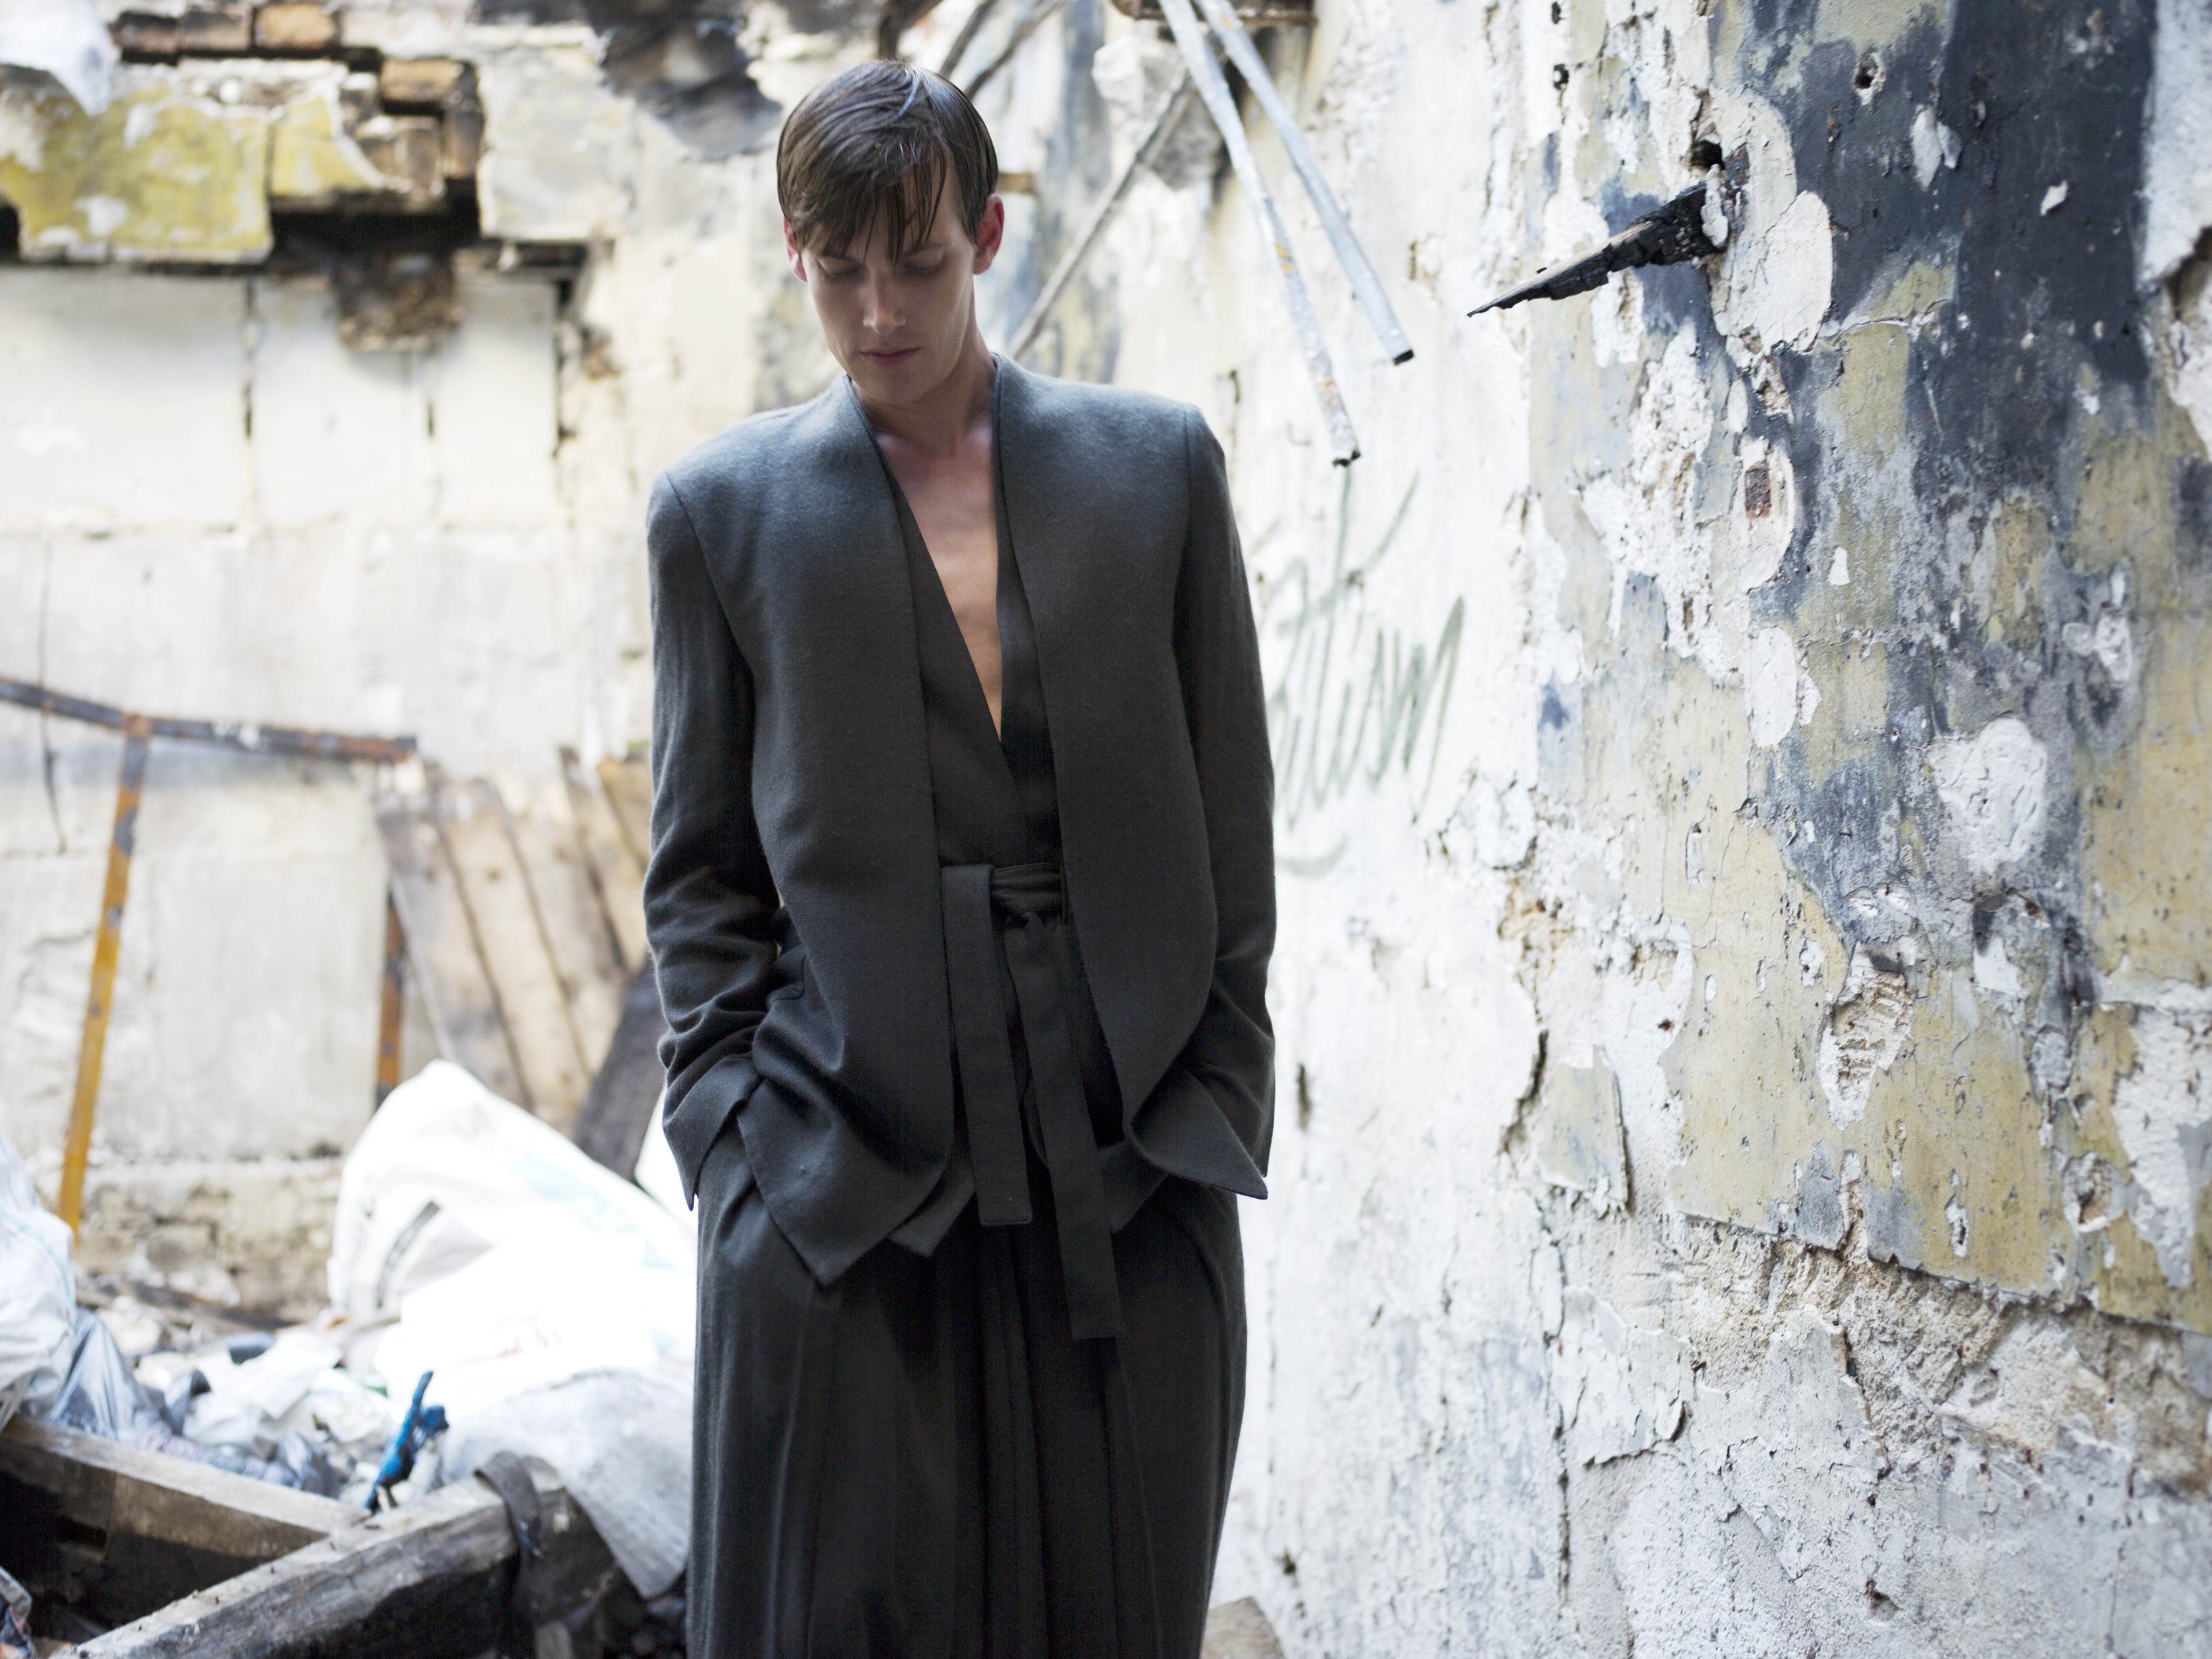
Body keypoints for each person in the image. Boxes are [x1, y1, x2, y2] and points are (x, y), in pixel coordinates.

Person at [642, 57, 1276, 1658]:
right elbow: (698, 875)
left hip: (1125, 1161)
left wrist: (1214, 1093)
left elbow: (1232, 825)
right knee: (831, 1617)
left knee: (1114, 1613)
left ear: (986, 235)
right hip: (834, 1167)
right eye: (836, 263)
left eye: (915, 257)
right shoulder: (720, 513)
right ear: (795, 251)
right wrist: (730, 1157)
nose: (876, 308)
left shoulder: (1155, 473)